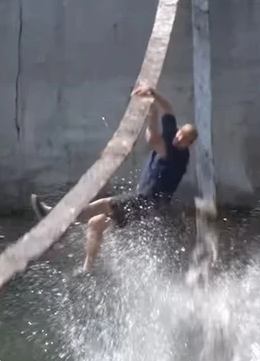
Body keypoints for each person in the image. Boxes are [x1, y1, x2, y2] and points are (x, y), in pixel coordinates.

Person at [31, 87, 199, 273]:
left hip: (148, 203)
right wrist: (153, 93)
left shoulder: (178, 158)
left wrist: (152, 113)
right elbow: (169, 109)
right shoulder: (173, 137)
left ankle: (55, 220)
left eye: (183, 139)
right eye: (179, 133)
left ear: (188, 145)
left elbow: (153, 139)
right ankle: (87, 270)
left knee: (103, 204)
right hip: (148, 209)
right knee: (96, 224)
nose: (178, 138)